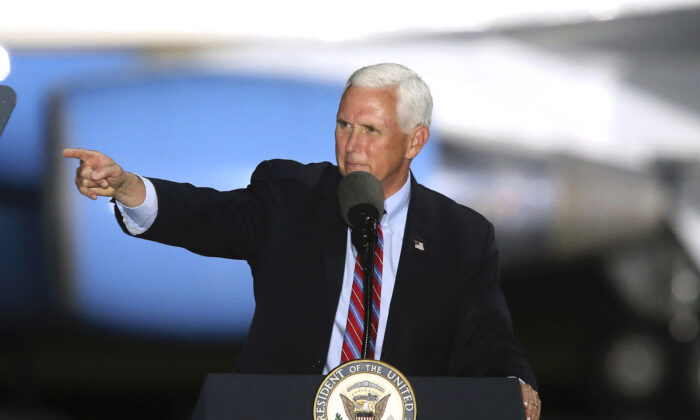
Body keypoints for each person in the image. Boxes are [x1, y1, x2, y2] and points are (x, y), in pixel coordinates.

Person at [64, 63, 541, 419]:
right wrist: (128, 186)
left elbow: (488, 337)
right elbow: (205, 215)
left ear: (415, 141)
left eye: (371, 130)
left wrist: (515, 385)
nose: (351, 144)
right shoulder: (289, 196)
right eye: (343, 125)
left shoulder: (461, 235)